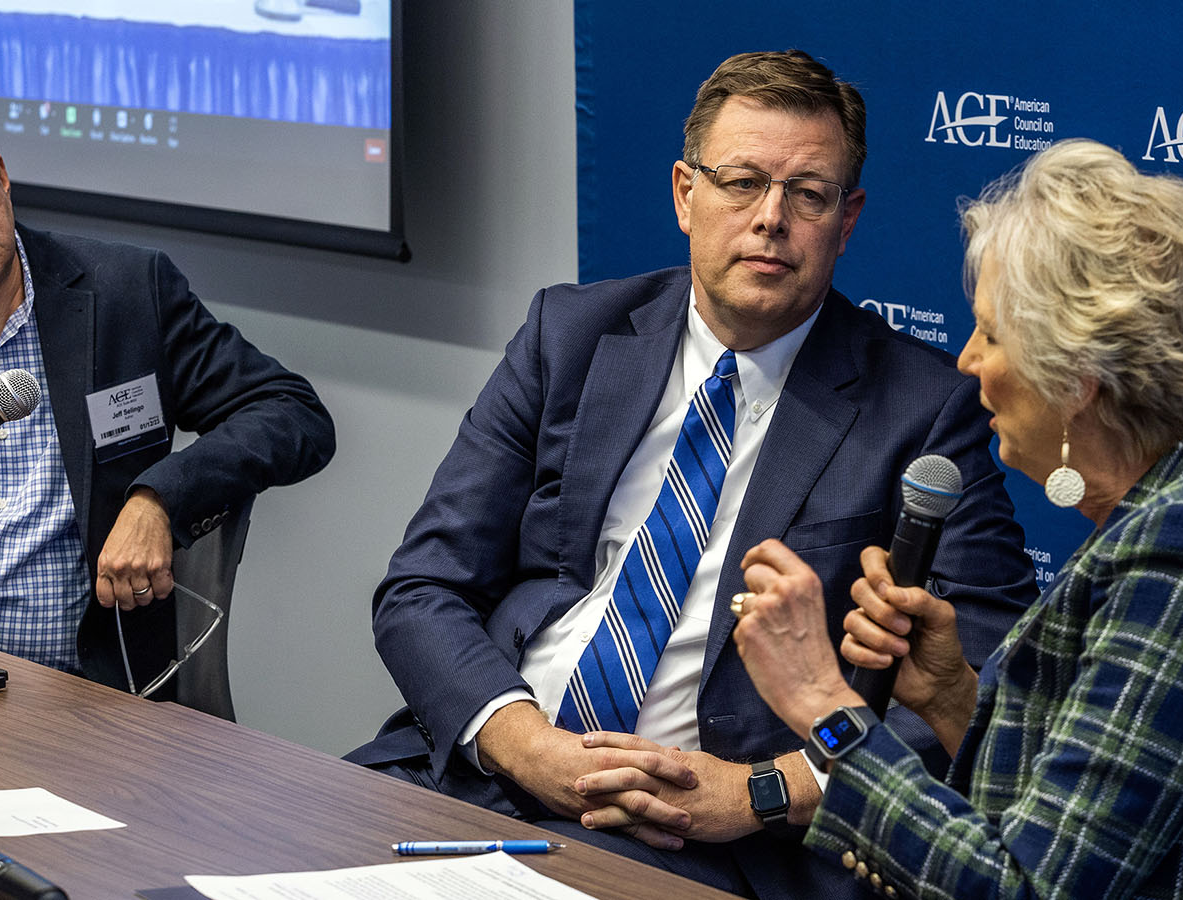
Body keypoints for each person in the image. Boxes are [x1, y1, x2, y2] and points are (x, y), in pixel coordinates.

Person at [346, 51, 1037, 898]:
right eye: (742, 182)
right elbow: (422, 587)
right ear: (685, 193)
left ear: (847, 221)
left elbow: (979, 691)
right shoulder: (571, 334)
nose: (771, 219)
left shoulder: (924, 410)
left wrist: (767, 791)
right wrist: (528, 745)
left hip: (706, 835)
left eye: (808, 194)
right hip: (485, 768)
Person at [732, 138, 1183, 899]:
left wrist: (821, 704)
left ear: (1077, 380)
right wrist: (946, 696)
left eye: (993, 335)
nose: (967, 362)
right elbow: (1086, 819)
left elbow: (1027, 890)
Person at [0, 85, 336, 695]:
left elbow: (292, 412)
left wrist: (159, 497)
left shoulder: (130, 293)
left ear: (2, 177)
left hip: (96, 689)